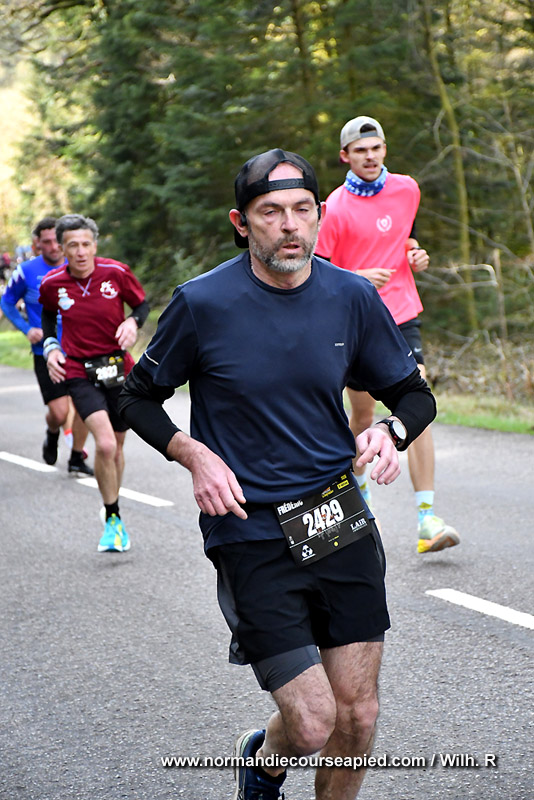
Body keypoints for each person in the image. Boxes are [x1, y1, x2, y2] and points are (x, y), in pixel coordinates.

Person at [118, 149, 436, 799]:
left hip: (335, 515)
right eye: (270, 212)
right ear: (242, 222)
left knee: (358, 715)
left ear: (319, 215)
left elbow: (414, 394)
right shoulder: (203, 303)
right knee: (314, 722)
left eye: (302, 210)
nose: (289, 225)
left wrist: (389, 431)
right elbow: (136, 397)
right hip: (249, 526)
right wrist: (193, 453)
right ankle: (264, 760)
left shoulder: (350, 296)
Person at [315, 115, 460, 555]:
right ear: (345, 156)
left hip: (401, 313)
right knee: (362, 417)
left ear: (384, 149)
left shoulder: (407, 189)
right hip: (357, 320)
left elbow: (402, 234)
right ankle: (359, 503)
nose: (370, 156)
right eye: (360, 150)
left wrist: (414, 253)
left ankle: (427, 519)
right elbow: (317, 272)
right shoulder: (334, 207)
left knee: (416, 406)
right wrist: (358, 276)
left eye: (376, 147)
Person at [38, 214, 149, 552]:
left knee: (118, 446)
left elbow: (141, 304)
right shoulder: (52, 283)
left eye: (86, 244)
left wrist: (132, 323)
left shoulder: (116, 272)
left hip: (117, 368)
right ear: (62, 249)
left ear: (95, 245)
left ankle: (112, 504)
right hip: (78, 370)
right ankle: (113, 518)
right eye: (73, 245)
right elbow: (47, 315)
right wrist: (51, 346)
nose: (81, 251)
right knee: (105, 445)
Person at [0, 217, 93, 474]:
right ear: (37, 244)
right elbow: (7, 302)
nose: (53, 247)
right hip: (46, 351)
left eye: (56, 241)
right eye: (47, 242)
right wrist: (27, 329)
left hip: (82, 349)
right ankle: (53, 432)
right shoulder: (26, 271)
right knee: (61, 413)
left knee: (86, 406)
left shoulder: (80, 266)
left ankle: (76, 457)